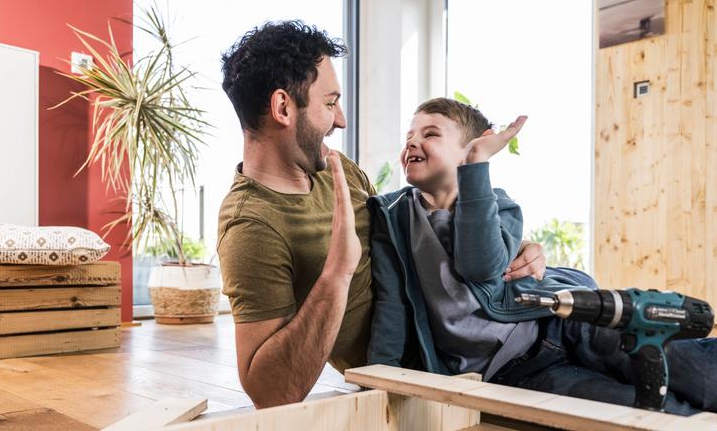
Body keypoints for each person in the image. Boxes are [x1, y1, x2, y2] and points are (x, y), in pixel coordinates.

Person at [216, 21, 547, 408]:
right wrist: (337, 274)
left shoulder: (337, 169)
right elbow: (270, 394)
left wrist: (516, 245)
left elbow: (419, 231)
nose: (341, 119)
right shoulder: (251, 227)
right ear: (283, 107)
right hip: (437, 378)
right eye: (329, 103)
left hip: (497, 333)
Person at [367, 97, 717, 416]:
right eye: (409, 135)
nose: (412, 141)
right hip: (516, 372)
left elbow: (479, 266)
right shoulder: (392, 215)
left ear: (470, 150)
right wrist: (375, 381)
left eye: (430, 134)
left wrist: (476, 166)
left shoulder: (500, 205)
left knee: (703, 375)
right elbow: (391, 303)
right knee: (648, 413)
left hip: (562, 322)